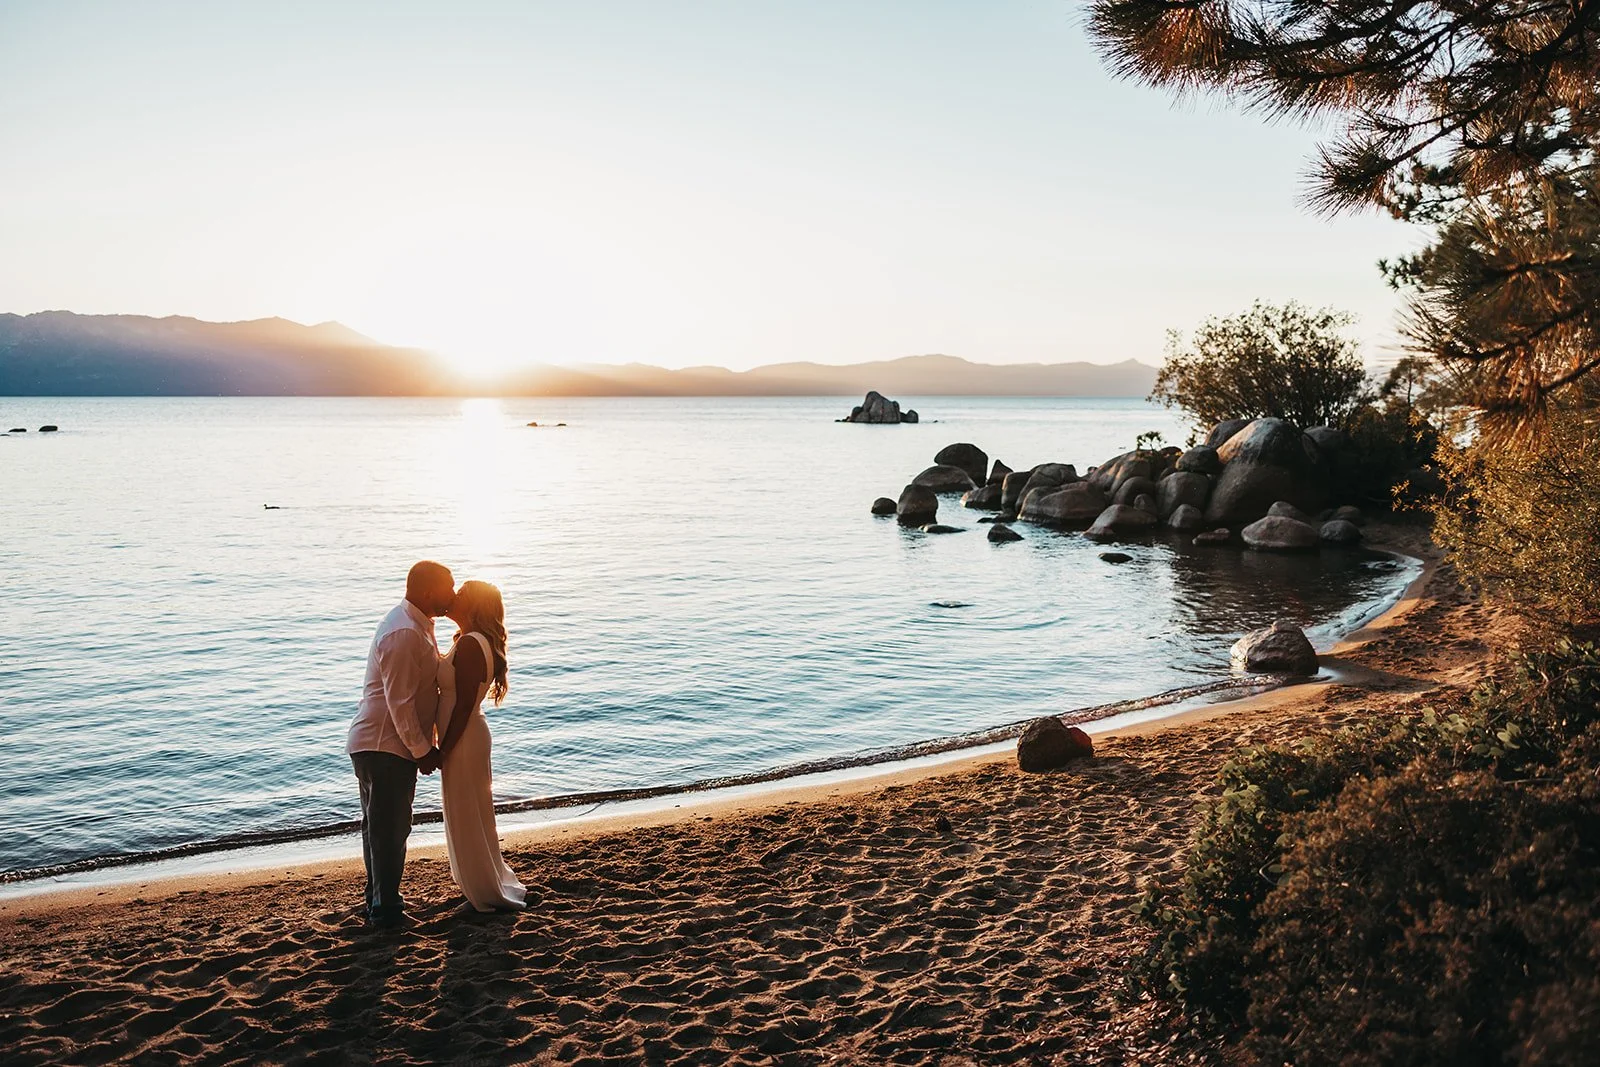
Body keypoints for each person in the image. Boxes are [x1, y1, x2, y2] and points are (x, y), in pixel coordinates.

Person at [347, 560, 454, 929]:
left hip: (383, 744)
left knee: (380, 829)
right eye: (448, 588)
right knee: (389, 830)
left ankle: (378, 902)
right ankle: (385, 910)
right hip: (384, 744)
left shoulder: (417, 625)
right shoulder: (404, 632)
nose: (452, 596)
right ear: (427, 592)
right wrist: (423, 751)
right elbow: (400, 703)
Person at [435, 579, 527, 912]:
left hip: (464, 738)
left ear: (472, 605)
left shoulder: (473, 644)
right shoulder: (469, 640)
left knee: (468, 817)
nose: (452, 596)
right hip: (468, 736)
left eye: (459, 594)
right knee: (469, 814)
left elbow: (461, 707)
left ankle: (484, 894)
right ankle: (481, 886)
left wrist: (442, 749)